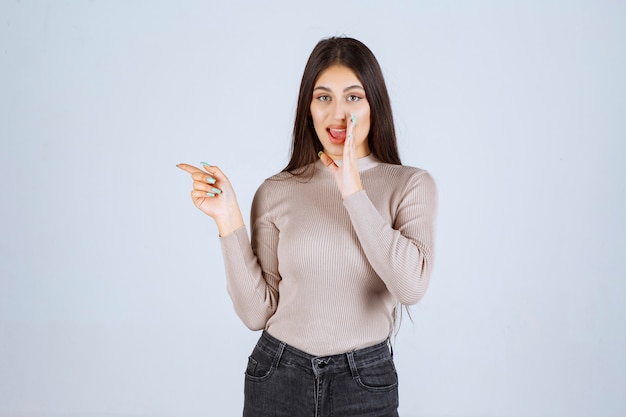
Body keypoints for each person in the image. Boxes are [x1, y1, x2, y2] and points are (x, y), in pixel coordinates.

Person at [177, 36, 437, 417]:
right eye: (323, 97)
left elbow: (411, 286)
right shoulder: (277, 191)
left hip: (364, 382)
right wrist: (227, 218)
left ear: (373, 105)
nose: (337, 113)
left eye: (353, 97)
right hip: (278, 376)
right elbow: (257, 314)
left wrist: (352, 191)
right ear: (308, 108)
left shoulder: (410, 185)